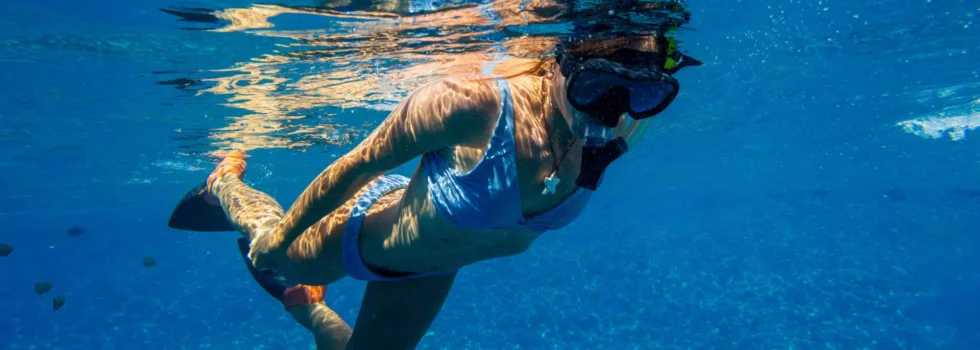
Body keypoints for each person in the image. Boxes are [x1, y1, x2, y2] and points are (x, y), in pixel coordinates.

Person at [168, 29, 701, 349]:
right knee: (276, 251)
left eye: (646, 92)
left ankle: (307, 307)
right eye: (595, 89)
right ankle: (226, 183)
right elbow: (355, 166)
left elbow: (630, 96)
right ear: (560, 63)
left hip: (431, 268)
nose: (613, 111)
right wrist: (284, 233)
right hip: (363, 231)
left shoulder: (630, 113)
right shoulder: (470, 103)